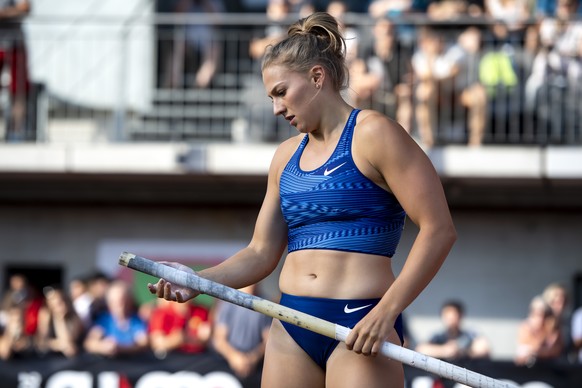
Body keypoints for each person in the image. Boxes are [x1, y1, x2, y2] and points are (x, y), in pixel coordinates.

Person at [148, 12, 456, 388]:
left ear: (316, 77)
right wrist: (197, 280)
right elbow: (261, 252)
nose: (276, 108)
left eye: (281, 92)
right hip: (291, 322)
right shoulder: (284, 157)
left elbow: (439, 230)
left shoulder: (375, 133)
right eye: (271, 98)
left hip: (360, 322)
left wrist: (388, 312)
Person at [212, 284, 271, 382]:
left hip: (254, 367)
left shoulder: (266, 304)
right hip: (226, 365)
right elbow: (218, 339)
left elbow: (268, 340)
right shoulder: (228, 301)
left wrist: (252, 358)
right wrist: (233, 357)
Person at [84, 280, 149, 358]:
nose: (119, 305)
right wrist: (102, 347)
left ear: (129, 301)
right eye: (114, 302)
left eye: (122, 301)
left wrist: (121, 349)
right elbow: (89, 343)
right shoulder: (105, 320)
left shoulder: (137, 320)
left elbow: (143, 344)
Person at [415, 300, 491, 362]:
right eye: (446, 316)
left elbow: (484, 349)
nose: (450, 320)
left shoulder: (469, 335)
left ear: (460, 316)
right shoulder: (438, 337)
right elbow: (421, 349)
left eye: (453, 316)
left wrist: (463, 352)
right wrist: (444, 351)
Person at [0, 0, 31, 141]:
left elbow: (25, 7)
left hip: (15, 44)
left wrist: (4, 13)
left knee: (18, 91)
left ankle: (15, 133)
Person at [148, 297, 212, 358]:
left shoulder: (201, 311)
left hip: (198, 356)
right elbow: (157, 342)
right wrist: (176, 340)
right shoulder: (162, 312)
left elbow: (207, 338)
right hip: (172, 357)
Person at [35, 286, 84, 358]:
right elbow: (41, 342)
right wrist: (58, 345)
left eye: (63, 301)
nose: (62, 305)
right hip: (49, 357)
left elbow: (69, 344)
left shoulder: (74, 317)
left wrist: (61, 319)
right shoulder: (45, 315)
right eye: (58, 304)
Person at [514, 295, 563, 366]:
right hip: (527, 370)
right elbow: (523, 352)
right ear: (532, 314)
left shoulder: (552, 328)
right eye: (538, 315)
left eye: (545, 315)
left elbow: (556, 350)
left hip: (550, 369)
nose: (541, 319)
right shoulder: (525, 327)